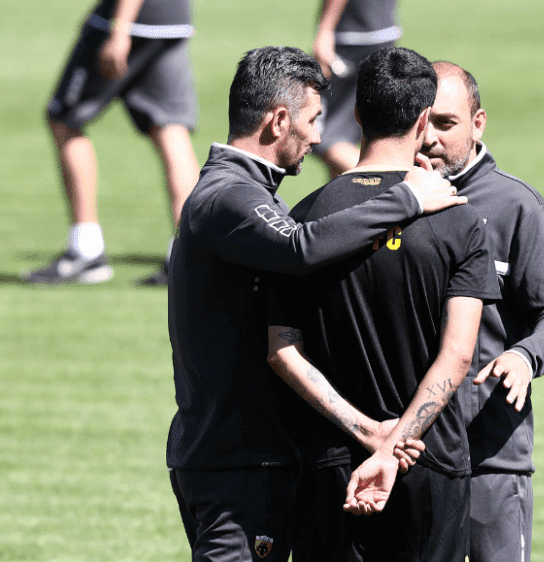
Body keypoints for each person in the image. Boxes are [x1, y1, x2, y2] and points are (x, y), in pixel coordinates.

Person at [166, 46, 463, 562]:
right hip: (236, 462)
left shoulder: (245, 195)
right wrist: (408, 198)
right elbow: (300, 248)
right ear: (278, 121)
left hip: (243, 457)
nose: (319, 137)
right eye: (312, 119)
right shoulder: (230, 197)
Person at [267, 47, 501, 562]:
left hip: (329, 464)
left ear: (357, 113)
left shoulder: (304, 220)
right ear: (423, 119)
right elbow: (459, 355)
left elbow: (282, 351)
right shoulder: (459, 220)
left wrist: (366, 433)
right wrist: (396, 446)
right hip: (428, 461)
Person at [421, 61, 544, 562]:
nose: (429, 138)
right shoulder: (390, 202)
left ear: (478, 123)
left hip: (490, 456)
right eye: (421, 121)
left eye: (445, 123)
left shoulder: (518, 207)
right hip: (409, 455)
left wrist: (524, 356)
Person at [24, 0, 199, 285]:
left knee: (65, 119)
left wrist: (120, 30)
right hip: (174, 18)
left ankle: (85, 251)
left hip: (130, 19)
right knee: (169, 127)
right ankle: (188, 256)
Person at [311, 0, 401, 177]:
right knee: (347, 135)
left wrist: (325, 29)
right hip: (381, 30)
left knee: (320, 134)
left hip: (353, 37)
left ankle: (391, 184)